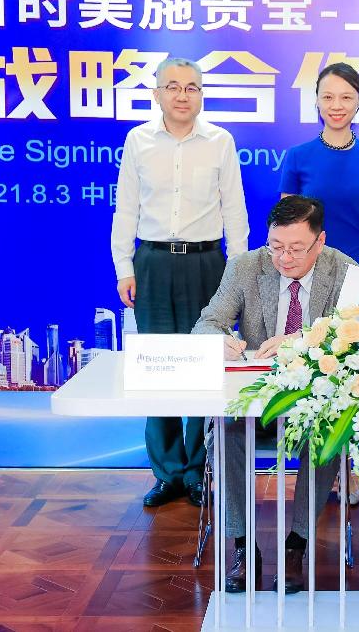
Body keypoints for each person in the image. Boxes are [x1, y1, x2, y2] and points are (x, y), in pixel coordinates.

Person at [191, 195, 357, 594]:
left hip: (314, 404)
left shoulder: (344, 271)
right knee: (226, 430)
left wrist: (302, 342)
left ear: (320, 241)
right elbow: (206, 323)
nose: (284, 258)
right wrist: (218, 341)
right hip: (255, 405)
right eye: (276, 246)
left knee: (329, 433)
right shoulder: (245, 267)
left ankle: (297, 544)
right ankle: (243, 545)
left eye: (296, 249)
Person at [110, 57, 249, 509]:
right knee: (157, 368)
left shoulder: (220, 141)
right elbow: (126, 208)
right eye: (172, 86)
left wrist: (239, 272)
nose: (182, 95)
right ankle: (166, 473)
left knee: (204, 368)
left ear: (201, 95)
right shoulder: (138, 141)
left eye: (192, 87)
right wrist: (124, 267)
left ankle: (197, 472)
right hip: (152, 262)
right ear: (157, 94)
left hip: (206, 263)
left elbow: (235, 210)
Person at [280, 62, 359, 274]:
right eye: (328, 97)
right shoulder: (297, 156)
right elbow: (286, 225)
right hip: (310, 270)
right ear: (317, 101)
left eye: (346, 97)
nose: (337, 105)